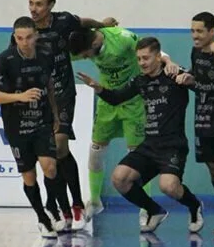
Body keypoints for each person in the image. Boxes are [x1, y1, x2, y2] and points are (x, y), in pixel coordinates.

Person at [78, 37, 203, 234]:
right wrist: (97, 87)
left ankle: (194, 205)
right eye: (139, 59)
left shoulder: (173, 74)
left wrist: (191, 79)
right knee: (119, 178)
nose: (142, 63)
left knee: (168, 186)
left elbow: (201, 87)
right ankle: (154, 211)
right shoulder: (140, 81)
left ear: (158, 56)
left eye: (146, 58)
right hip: (149, 146)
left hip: (172, 145)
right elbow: (116, 98)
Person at [27, 0, 118, 230]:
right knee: (51, 156)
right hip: (40, 98)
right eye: (31, 3)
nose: (34, 9)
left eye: (39, 4)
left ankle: (77, 204)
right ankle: (62, 208)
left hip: (63, 93)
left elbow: (83, 22)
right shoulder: (26, 31)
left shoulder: (64, 21)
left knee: (58, 145)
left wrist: (102, 24)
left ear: (51, 6)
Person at [67, 26, 172, 217]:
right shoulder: (84, 39)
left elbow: (147, 50)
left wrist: (168, 60)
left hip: (133, 103)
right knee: (96, 150)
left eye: (85, 55)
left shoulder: (122, 39)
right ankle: (95, 201)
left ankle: (145, 209)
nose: (84, 58)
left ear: (94, 43)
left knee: (138, 156)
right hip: (108, 101)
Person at [0, 17, 69, 237]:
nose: (24, 42)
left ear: (36, 36)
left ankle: (52, 206)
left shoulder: (45, 55)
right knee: (29, 176)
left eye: (29, 37)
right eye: (20, 38)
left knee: (50, 167)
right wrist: (20, 96)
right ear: (15, 37)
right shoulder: (5, 59)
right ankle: (42, 217)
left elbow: (49, 85)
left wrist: (54, 113)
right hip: (16, 124)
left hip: (41, 120)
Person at [167, 12, 214, 237]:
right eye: (192, 31)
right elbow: (202, 82)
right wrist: (189, 79)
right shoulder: (195, 52)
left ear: (212, 31)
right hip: (203, 116)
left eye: (199, 31)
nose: (195, 36)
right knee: (213, 169)